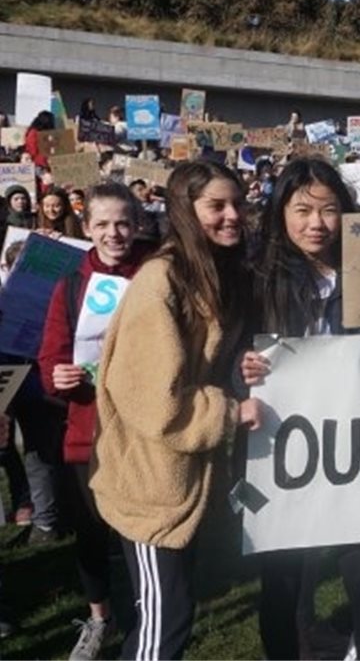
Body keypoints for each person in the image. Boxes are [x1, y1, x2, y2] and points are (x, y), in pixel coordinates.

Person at [89, 160, 265, 660]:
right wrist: (230, 412)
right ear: (186, 211)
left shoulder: (213, 274)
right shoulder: (159, 283)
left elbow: (210, 366)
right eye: (216, 206)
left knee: (173, 613)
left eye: (237, 203)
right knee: (164, 624)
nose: (232, 215)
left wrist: (241, 370)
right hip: (149, 484)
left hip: (181, 478)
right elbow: (156, 402)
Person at [238, 158, 360, 660]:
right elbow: (223, 353)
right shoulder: (255, 278)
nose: (317, 223)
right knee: (284, 579)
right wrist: (236, 369)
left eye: (329, 210)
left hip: (356, 449)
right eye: (303, 209)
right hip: (282, 452)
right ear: (280, 212)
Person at [37, 182, 153, 660]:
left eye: (123, 222)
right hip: (87, 430)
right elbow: (50, 357)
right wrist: (57, 377)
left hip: (143, 428)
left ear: (138, 224)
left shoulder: (155, 274)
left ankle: (147, 613)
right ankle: (99, 617)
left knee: (138, 531)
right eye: (102, 224)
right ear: (86, 229)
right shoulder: (69, 286)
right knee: (91, 529)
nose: (114, 233)